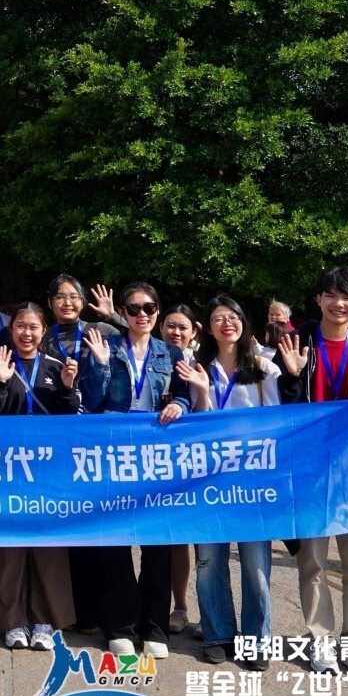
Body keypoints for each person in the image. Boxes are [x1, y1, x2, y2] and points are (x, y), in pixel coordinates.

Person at [276, 265, 348, 679]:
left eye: (347, 297)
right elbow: (282, 411)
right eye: (331, 294)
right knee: (312, 562)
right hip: (310, 472)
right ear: (319, 300)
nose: (338, 303)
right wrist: (291, 376)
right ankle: (321, 641)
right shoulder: (297, 342)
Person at [77, 282, 193, 659]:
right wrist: (98, 365)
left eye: (150, 308)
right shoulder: (106, 347)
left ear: (157, 312)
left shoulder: (171, 352)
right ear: (123, 314)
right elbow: (93, 401)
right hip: (115, 454)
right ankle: (120, 624)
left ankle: (154, 626)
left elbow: (184, 395)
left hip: (157, 457)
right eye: (134, 309)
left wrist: (178, 403)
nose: (142, 315)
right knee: (115, 544)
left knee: (158, 543)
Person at [0, 303, 78, 651]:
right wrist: (0, 383)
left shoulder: (57, 367)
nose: (26, 333)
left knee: (48, 547)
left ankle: (44, 620)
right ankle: (12, 621)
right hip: (7, 470)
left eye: (34, 327)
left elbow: (75, 419)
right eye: (21, 325)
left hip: (48, 473)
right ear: (12, 328)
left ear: (44, 331)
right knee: (9, 547)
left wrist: (67, 387)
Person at [190, 295, 281, 669]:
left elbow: (278, 423)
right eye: (218, 318)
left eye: (233, 317)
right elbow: (196, 426)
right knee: (209, 560)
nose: (227, 323)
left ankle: (258, 640)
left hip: (253, 483)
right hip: (208, 482)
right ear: (208, 327)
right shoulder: (198, 367)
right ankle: (217, 632)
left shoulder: (265, 367)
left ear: (244, 322)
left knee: (256, 563)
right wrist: (201, 391)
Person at [159, 301, 201, 633]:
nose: (176, 332)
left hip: (197, 461)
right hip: (157, 460)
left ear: (194, 331)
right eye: (170, 326)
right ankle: (171, 605)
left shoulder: (202, 363)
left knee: (193, 541)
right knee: (167, 538)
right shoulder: (156, 358)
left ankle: (194, 609)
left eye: (182, 327)